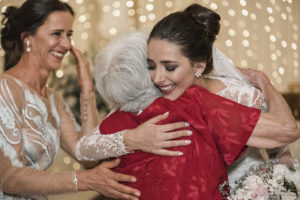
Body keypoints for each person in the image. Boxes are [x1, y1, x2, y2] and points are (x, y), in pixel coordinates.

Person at [76, 4, 299, 199]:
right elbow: (84, 149)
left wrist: (263, 81)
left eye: (169, 67)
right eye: (151, 66)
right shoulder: (145, 102)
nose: (157, 77)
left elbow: (283, 147)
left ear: (198, 66)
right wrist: (133, 138)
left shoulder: (227, 97)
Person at [0, 0, 193, 199]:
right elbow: (9, 178)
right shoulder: (5, 89)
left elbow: (86, 155)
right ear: (27, 38)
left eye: (69, 35)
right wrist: (87, 178)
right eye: (56, 34)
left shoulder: (52, 98)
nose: (66, 44)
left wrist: (88, 89)